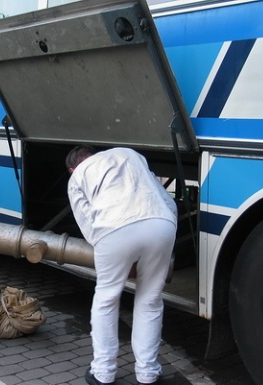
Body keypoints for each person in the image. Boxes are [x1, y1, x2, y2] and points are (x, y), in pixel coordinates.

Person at [65, 145, 177, 385]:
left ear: (72, 168)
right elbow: (166, 201)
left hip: (113, 228)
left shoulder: (77, 176)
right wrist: (166, 237)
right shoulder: (129, 154)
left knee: (107, 299)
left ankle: (103, 373)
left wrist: (117, 256)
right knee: (150, 301)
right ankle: (148, 374)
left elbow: (87, 222)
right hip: (160, 223)